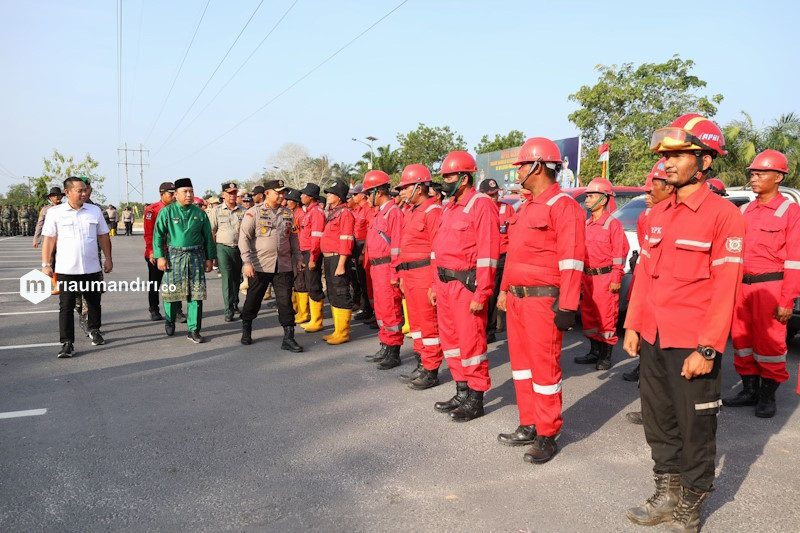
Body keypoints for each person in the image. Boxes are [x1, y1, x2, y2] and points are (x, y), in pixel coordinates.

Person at [623, 114, 744, 531]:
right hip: (654, 340)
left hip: (692, 344)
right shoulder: (658, 214)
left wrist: (708, 348)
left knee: (696, 428)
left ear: (705, 161)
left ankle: (690, 503)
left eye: (679, 154)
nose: (667, 162)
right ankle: (666, 492)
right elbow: (644, 273)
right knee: (659, 423)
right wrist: (633, 325)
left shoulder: (724, 216)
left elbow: (725, 288)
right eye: (666, 154)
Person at [494, 137, 585, 462]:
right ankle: (529, 423)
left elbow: (572, 260)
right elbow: (514, 255)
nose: (517, 169)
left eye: (521, 164)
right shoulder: (526, 207)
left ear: (537, 166)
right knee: (520, 368)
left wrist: (568, 306)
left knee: (544, 369)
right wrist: (504, 291)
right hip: (518, 301)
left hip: (543, 302)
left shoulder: (564, 207)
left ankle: (548, 433)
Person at [724, 150, 800, 418]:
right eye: (752, 173)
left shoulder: (790, 212)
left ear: (778, 177)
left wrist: (787, 300)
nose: (754, 178)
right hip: (741, 288)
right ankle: (749, 390)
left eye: (760, 173)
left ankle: (767, 396)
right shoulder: (744, 210)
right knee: (742, 341)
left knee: (770, 344)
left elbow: (794, 260)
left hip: (771, 288)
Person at [430, 151, 499, 422]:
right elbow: (438, 250)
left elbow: (488, 253)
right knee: (452, 342)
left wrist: (482, 292)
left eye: (449, 176)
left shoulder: (480, 205)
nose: (445, 181)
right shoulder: (449, 206)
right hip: (445, 286)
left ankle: (476, 397)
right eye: (444, 176)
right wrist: (435, 285)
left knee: (471, 343)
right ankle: (461, 390)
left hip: (466, 286)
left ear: (465, 177)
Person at [624, 158, 674, 424]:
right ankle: (651, 410)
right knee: (651, 355)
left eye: (655, 184)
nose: (649, 192)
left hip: (673, 300)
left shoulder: (687, 215)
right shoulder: (650, 216)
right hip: (650, 291)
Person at [41, 177, 113, 357]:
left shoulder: (94, 211)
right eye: (80, 190)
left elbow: (104, 236)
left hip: (91, 267)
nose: (84, 193)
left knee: (94, 302)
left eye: (85, 190)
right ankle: (67, 343)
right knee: (66, 306)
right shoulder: (55, 213)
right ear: (67, 193)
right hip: (66, 269)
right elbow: (49, 239)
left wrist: (108, 259)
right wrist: (45, 264)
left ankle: (95, 330)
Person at [238, 179, 303, 352]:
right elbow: (244, 237)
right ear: (267, 193)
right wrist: (246, 262)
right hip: (260, 265)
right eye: (278, 192)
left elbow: (294, 238)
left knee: (285, 302)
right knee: (253, 299)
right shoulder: (254, 212)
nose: (282, 195)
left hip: (283, 266)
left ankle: (288, 337)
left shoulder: (288, 213)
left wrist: (299, 258)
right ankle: (246, 329)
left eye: (283, 192)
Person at [395, 164, 444, 388]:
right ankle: (421, 362)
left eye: (405, 188)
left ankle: (431, 368)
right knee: (415, 323)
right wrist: (403, 275)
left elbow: (437, 250)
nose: (401, 192)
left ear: (419, 187)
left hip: (425, 274)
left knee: (428, 324)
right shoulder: (412, 212)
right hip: (411, 274)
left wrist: (434, 283)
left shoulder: (433, 211)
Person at [574, 177, 629, 371]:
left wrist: (615, 278)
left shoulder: (612, 224)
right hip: (588, 278)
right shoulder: (587, 224)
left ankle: (606, 355)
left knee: (606, 317)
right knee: (589, 316)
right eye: (587, 196)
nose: (587, 200)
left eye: (591, 196)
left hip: (605, 279)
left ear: (604, 199)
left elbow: (620, 253)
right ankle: (594, 351)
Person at [153, 178, 216, 343]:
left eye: (191, 191)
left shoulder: (200, 213)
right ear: (176, 194)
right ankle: (169, 319)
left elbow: (208, 237)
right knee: (172, 293)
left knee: (196, 294)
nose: (189, 195)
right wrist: (160, 257)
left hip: (196, 256)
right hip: (174, 257)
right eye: (185, 192)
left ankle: (194, 329)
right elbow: (158, 235)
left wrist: (210, 258)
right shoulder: (167, 212)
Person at [361, 170, 406, 367]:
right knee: (381, 310)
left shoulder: (394, 213)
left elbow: (397, 245)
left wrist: (395, 273)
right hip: (377, 268)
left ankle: (393, 351)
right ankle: (385, 344)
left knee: (391, 310)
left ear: (378, 192)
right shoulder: (380, 213)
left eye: (367, 193)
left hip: (388, 267)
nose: (365, 197)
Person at [319, 179, 355, 344]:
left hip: (338, 258)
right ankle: (337, 330)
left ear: (340, 197)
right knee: (333, 293)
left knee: (340, 292)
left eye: (332, 193)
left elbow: (346, 241)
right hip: (329, 258)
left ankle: (343, 333)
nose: (328, 196)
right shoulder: (334, 212)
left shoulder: (345, 213)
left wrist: (341, 264)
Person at [143, 182, 185, 322]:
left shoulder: (178, 209)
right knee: (155, 282)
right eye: (170, 193)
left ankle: (177, 310)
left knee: (176, 282)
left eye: (175, 193)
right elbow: (149, 234)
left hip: (175, 252)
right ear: (162, 194)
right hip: (158, 252)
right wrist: (152, 251)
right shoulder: (152, 210)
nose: (174, 196)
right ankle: (154, 309)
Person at [480, 178, 514, 344]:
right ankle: (481, 326)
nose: (494, 197)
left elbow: (513, 235)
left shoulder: (506, 209)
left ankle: (490, 330)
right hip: (482, 259)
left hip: (501, 259)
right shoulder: (478, 210)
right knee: (482, 294)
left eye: (495, 194)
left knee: (494, 295)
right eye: (490, 194)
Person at [208, 182, 246, 322]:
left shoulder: (243, 210)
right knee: (228, 278)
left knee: (237, 278)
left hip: (239, 249)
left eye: (235, 193)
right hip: (223, 248)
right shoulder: (216, 210)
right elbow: (212, 232)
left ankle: (235, 303)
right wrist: (211, 254)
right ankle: (228, 310)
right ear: (223, 194)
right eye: (229, 193)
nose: (232, 196)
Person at [297, 183, 326, 333]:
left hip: (311, 252)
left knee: (314, 285)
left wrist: (313, 258)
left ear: (311, 197)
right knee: (309, 284)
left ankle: (317, 321)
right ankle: (314, 318)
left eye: (303, 194)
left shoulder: (316, 213)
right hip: (306, 252)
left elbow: (316, 238)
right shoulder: (309, 212)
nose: (301, 196)